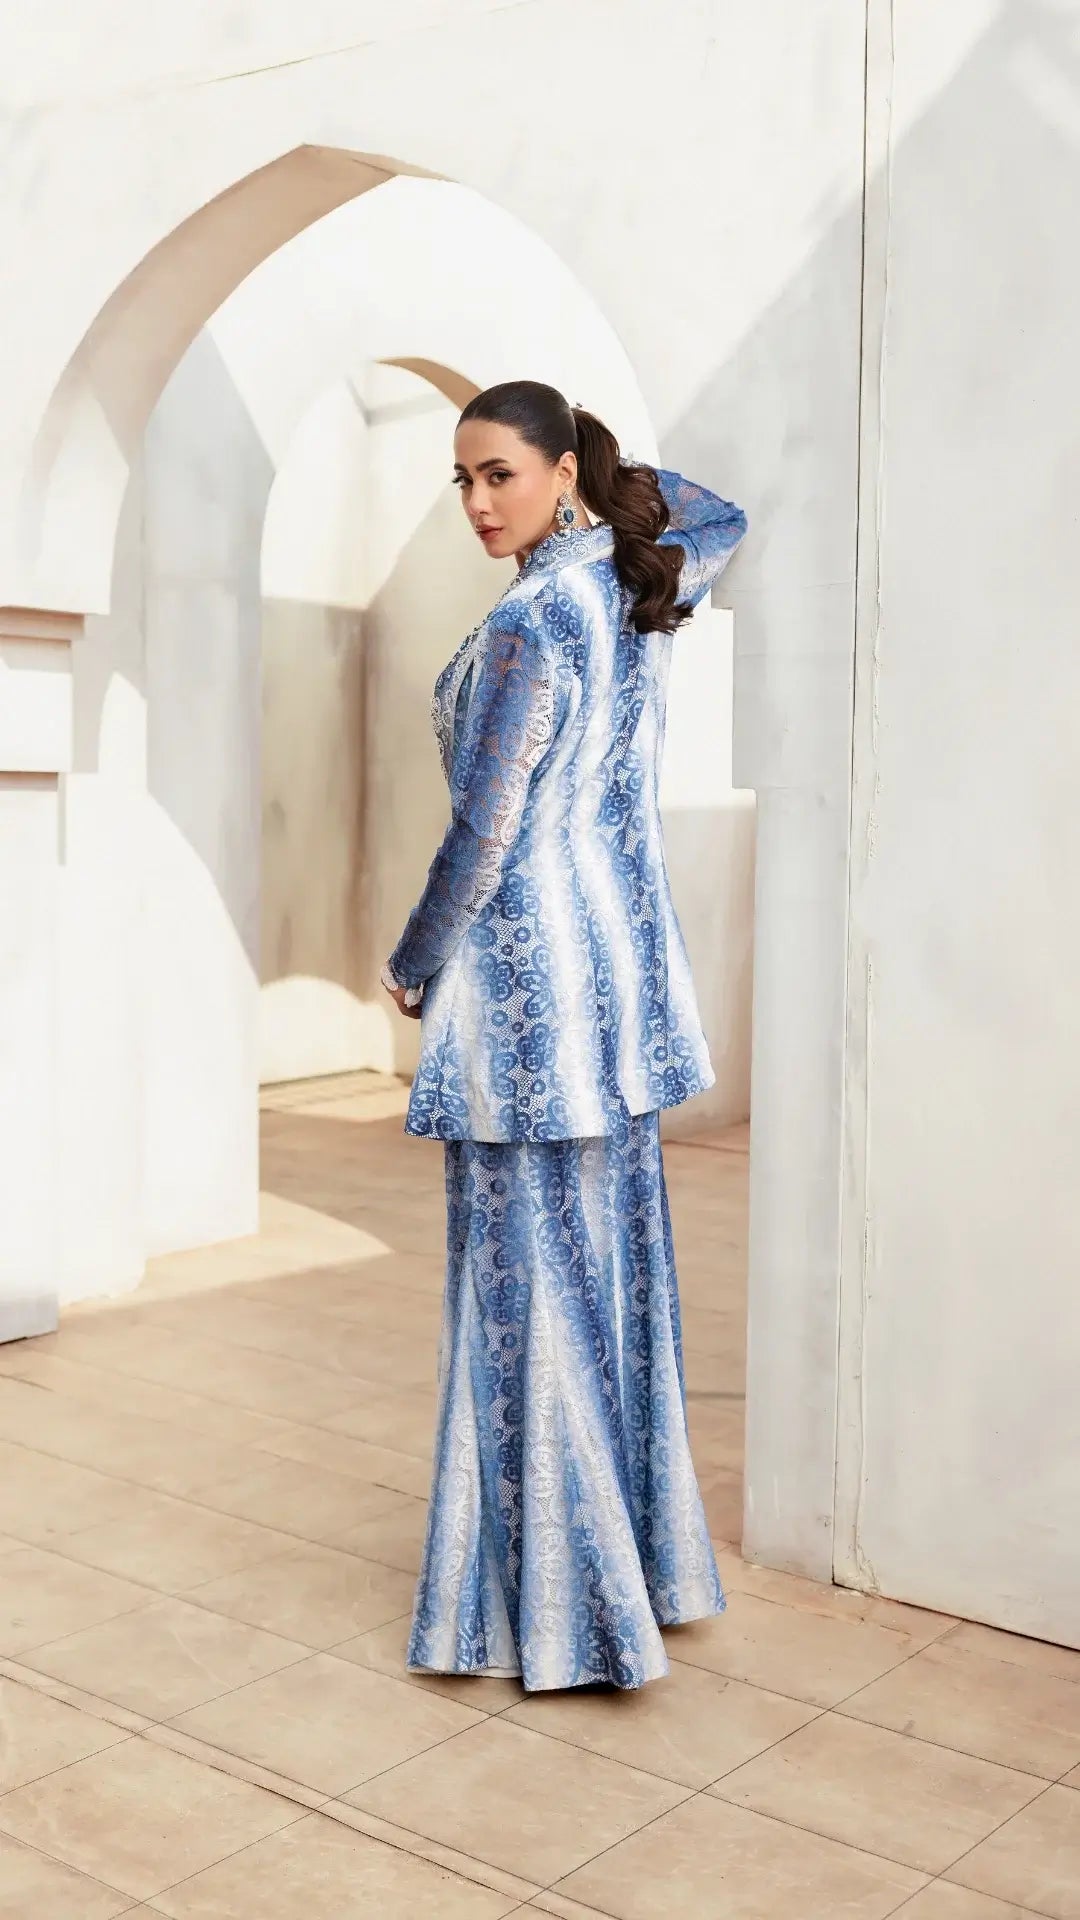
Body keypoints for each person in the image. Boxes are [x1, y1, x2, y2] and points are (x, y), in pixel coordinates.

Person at [380, 379, 747, 1691]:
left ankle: (573, 1612)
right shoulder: (630, 586)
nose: (479, 501)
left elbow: (482, 830)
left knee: (526, 1296)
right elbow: (722, 513)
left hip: (530, 1004)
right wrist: (599, 478)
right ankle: (644, 1575)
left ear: (558, 476)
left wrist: (414, 962)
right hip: (622, 989)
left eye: (501, 474)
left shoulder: (540, 619)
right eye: (463, 478)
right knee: (609, 1286)